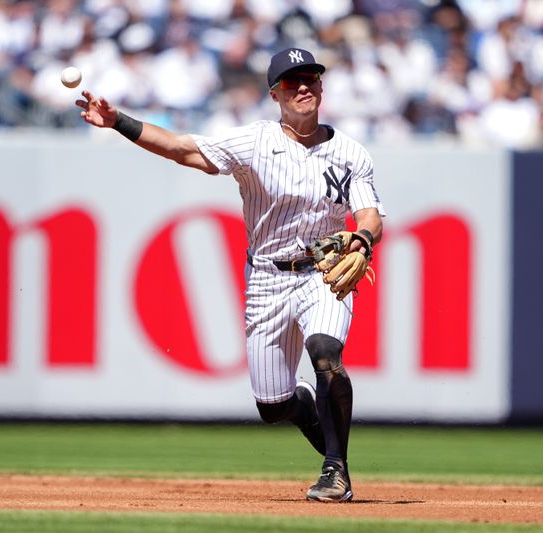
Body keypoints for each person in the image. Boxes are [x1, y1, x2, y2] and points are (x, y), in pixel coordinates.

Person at [76, 47, 385, 503]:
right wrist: (120, 121)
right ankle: (305, 406)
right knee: (273, 406)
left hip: (324, 272)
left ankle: (335, 470)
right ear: (275, 94)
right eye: (292, 81)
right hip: (267, 277)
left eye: (311, 79)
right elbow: (183, 149)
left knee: (326, 351)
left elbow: (371, 216)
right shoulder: (254, 142)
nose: (304, 87)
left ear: (322, 87)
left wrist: (362, 240)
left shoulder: (350, 152)